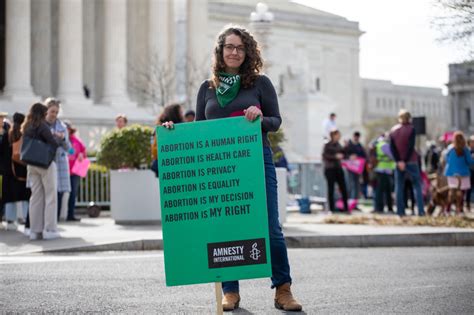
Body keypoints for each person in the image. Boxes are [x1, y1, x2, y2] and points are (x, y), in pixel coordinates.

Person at [164, 25, 302, 312]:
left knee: (270, 226)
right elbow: (199, 131)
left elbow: (276, 121)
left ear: (247, 51)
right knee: (224, 227)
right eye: (229, 46)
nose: (234, 52)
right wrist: (173, 132)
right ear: (220, 50)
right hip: (219, 167)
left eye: (240, 47)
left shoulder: (260, 84)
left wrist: (259, 117)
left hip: (255, 160)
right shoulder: (208, 88)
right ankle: (230, 291)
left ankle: (283, 289)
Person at [22, 103, 60, 240]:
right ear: (42, 114)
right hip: (45, 164)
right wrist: (58, 137)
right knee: (51, 197)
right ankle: (49, 229)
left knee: (35, 197)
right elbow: (53, 143)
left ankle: (34, 231)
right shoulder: (42, 125)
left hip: (31, 164)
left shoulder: (27, 125)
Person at [389, 109, 425, 216]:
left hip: (399, 162)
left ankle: (400, 211)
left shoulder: (393, 130)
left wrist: (398, 161)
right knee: (417, 186)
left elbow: (392, 148)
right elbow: (411, 146)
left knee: (399, 186)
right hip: (411, 161)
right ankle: (421, 211)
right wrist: (404, 161)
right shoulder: (411, 129)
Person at [45, 98, 71, 220]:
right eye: (52, 111)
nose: (54, 114)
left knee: (59, 192)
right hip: (45, 161)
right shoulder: (41, 125)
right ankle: (46, 220)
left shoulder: (63, 127)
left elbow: (69, 149)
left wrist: (63, 139)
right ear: (47, 111)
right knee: (46, 192)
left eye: (56, 112)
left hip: (59, 162)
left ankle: (54, 220)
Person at [4, 113, 31, 231]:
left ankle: (10, 220)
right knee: (25, 195)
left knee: (9, 195)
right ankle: (25, 218)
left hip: (8, 169)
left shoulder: (7, 134)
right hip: (22, 169)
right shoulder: (22, 134)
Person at [444, 131, 474, 215]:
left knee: (451, 193)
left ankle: (448, 210)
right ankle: (460, 210)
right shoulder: (465, 149)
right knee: (462, 194)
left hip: (451, 174)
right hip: (463, 174)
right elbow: (470, 161)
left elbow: (446, 159)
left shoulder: (450, 148)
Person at [150, 103, 184, 177]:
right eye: (180, 112)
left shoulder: (183, 126)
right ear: (174, 114)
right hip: (168, 168)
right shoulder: (163, 128)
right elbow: (155, 150)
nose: (182, 115)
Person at [323, 129, 349, 213]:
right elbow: (325, 156)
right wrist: (335, 156)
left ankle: (346, 208)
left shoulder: (339, 145)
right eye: (337, 134)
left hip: (338, 169)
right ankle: (331, 209)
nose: (339, 136)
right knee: (331, 189)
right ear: (333, 135)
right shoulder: (327, 145)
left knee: (343, 188)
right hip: (330, 169)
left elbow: (344, 155)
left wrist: (346, 147)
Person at [66, 121, 86, 221]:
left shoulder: (76, 141)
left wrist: (82, 154)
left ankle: (70, 215)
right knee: (59, 193)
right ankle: (56, 215)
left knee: (73, 193)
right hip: (63, 170)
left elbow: (83, 150)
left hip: (74, 171)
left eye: (68, 128)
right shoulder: (60, 139)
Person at [372, 134, 395, 213]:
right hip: (384, 170)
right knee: (384, 190)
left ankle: (381, 207)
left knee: (381, 190)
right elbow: (393, 156)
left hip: (380, 170)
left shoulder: (378, 144)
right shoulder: (384, 145)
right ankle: (382, 207)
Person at [344, 131, 367, 200]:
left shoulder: (360, 146)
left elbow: (364, 156)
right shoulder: (349, 145)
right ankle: (349, 200)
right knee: (350, 184)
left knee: (356, 185)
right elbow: (344, 155)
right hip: (350, 168)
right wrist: (350, 157)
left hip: (357, 169)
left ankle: (354, 202)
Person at [466, 136, 474, 212]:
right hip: (469, 172)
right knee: (468, 189)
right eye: (472, 142)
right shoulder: (467, 151)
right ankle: (467, 205)